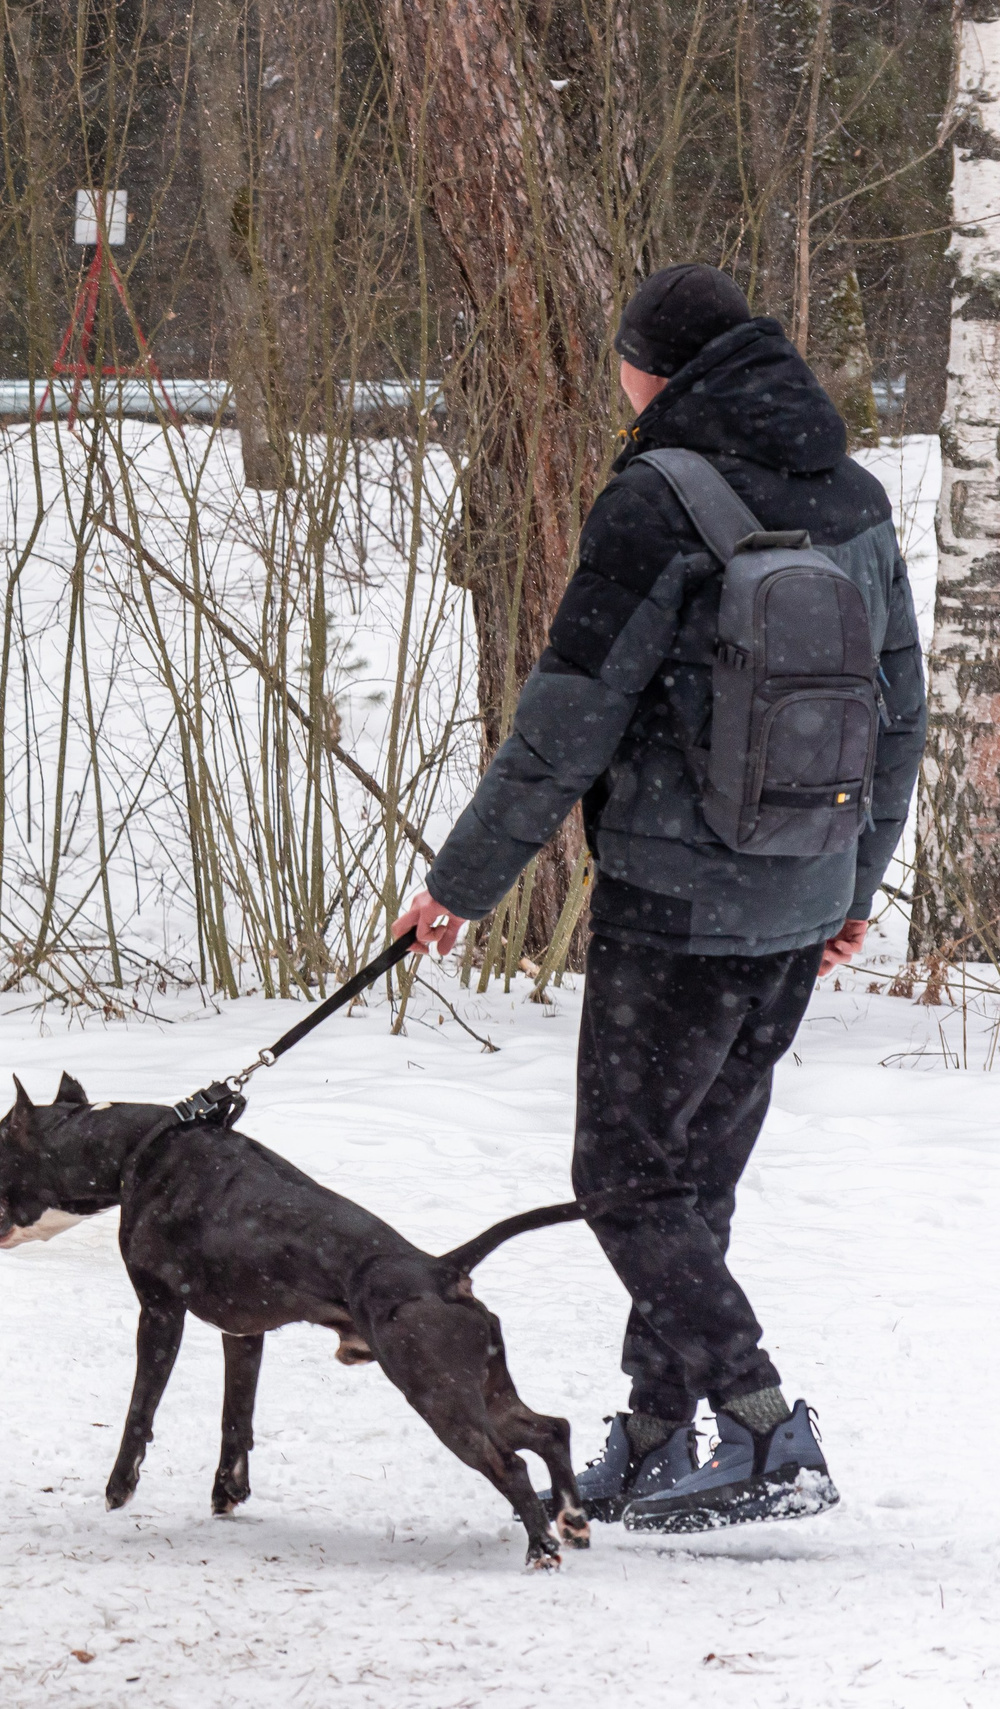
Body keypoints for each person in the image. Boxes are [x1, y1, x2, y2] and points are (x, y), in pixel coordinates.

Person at [391, 264, 924, 1531]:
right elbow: (895, 716)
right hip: (797, 899)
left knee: (626, 1179)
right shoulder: (850, 494)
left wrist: (460, 884)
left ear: (658, 369)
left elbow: (562, 724)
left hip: (675, 908)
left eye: (623, 360)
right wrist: (854, 879)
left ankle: (757, 1420)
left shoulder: (656, 501)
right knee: (692, 1182)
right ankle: (648, 1435)